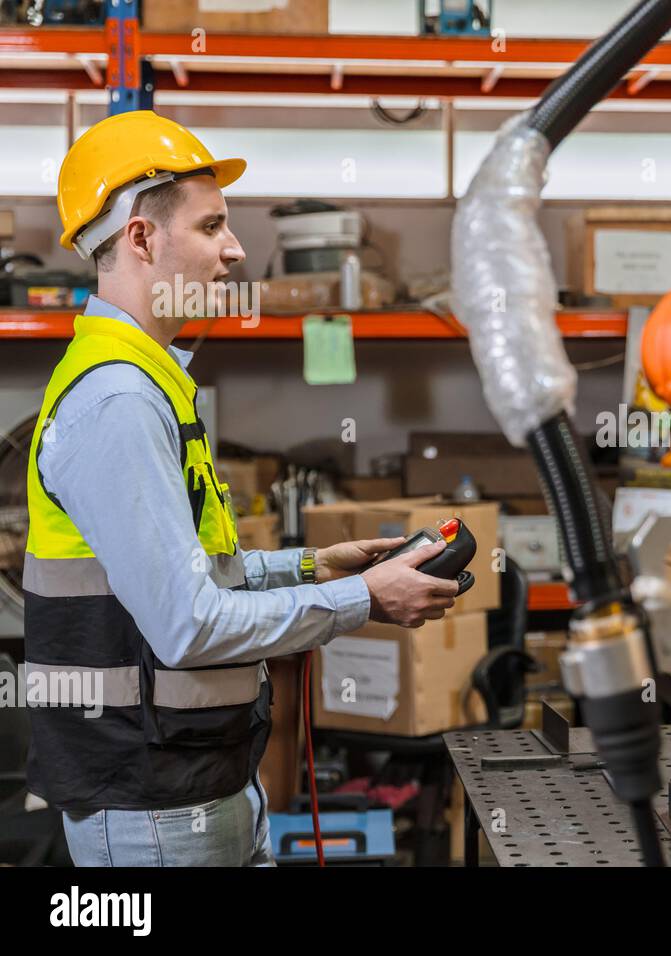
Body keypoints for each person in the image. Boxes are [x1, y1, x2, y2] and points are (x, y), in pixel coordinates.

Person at [24, 110, 457, 866]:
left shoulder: (151, 383)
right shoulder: (119, 403)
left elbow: (190, 573)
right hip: (151, 805)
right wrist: (365, 601)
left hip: (197, 779)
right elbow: (188, 625)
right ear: (141, 240)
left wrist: (313, 566)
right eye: (212, 226)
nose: (236, 251)